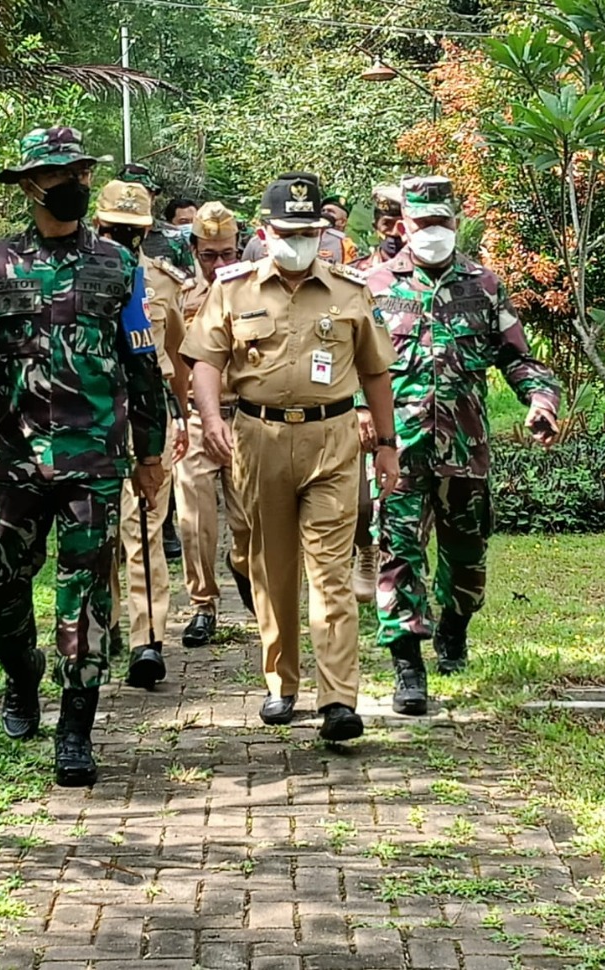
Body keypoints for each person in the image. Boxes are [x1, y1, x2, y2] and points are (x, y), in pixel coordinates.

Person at [0, 127, 167, 788]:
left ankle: (75, 731)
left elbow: (143, 366)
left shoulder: (117, 267)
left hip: (94, 463)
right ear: (29, 185)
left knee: (85, 601)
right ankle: (22, 673)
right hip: (15, 464)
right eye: (58, 173)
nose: (73, 183)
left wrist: (150, 451)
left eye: (80, 171)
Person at [182, 173, 399, 743]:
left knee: (329, 574)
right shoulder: (233, 288)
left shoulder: (350, 291)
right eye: (288, 231)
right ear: (265, 231)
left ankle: (338, 699)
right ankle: (282, 682)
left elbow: (376, 371)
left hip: (333, 440)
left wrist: (388, 446)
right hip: (259, 438)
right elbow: (204, 360)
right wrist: (210, 421)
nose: (300, 240)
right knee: (271, 567)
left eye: (310, 231)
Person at [366, 175, 560, 716]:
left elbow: (518, 358)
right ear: (404, 225)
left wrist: (540, 399)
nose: (433, 233)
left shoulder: (483, 286)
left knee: (467, 560)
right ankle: (408, 662)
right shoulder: (373, 285)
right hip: (397, 451)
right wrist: (360, 414)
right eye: (423, 224)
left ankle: (454, 626)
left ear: (456, 224)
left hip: (465, 451)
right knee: (397, 553)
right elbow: (352, 364)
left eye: (442, 223)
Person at [93, 179, 191, 688]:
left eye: (133, 232)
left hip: (145, 422)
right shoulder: (72, 275)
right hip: (88, 422)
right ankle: (104, 622)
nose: (123, 240)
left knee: (144, 528)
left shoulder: (160, 282)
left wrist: (181, 417)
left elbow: (174, 356)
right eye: (115, 229)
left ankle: (146, 641)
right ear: (97, 225)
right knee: (95, 533)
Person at [172, 201, 254, 647]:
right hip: (195, 421)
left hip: (246, 418)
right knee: (195, 518)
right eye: (210, 255)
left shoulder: (257, 294)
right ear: (194, 250)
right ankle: (203, 604)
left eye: (227, 254)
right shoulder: (182, 295)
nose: (220, 263)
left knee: (250, 521)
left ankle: (242, 567)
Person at [242, 177, 357, 265]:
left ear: (320, 232)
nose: (297, 239)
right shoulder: (255, 244)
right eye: (286, 232)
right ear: (263, 236)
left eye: (307, 232)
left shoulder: (341, 243)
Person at [116, 162, 196, 274]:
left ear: (153, 197)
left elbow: (188, 283)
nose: (134, 199)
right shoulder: (100, 235)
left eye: (143, 193)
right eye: (129, 193)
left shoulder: (174, 237)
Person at [352, 184, 404, 272]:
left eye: (401, 225)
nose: (395, 232)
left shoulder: (425, 274)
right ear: (375, 226)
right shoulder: (358, 270)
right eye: (387, 224)